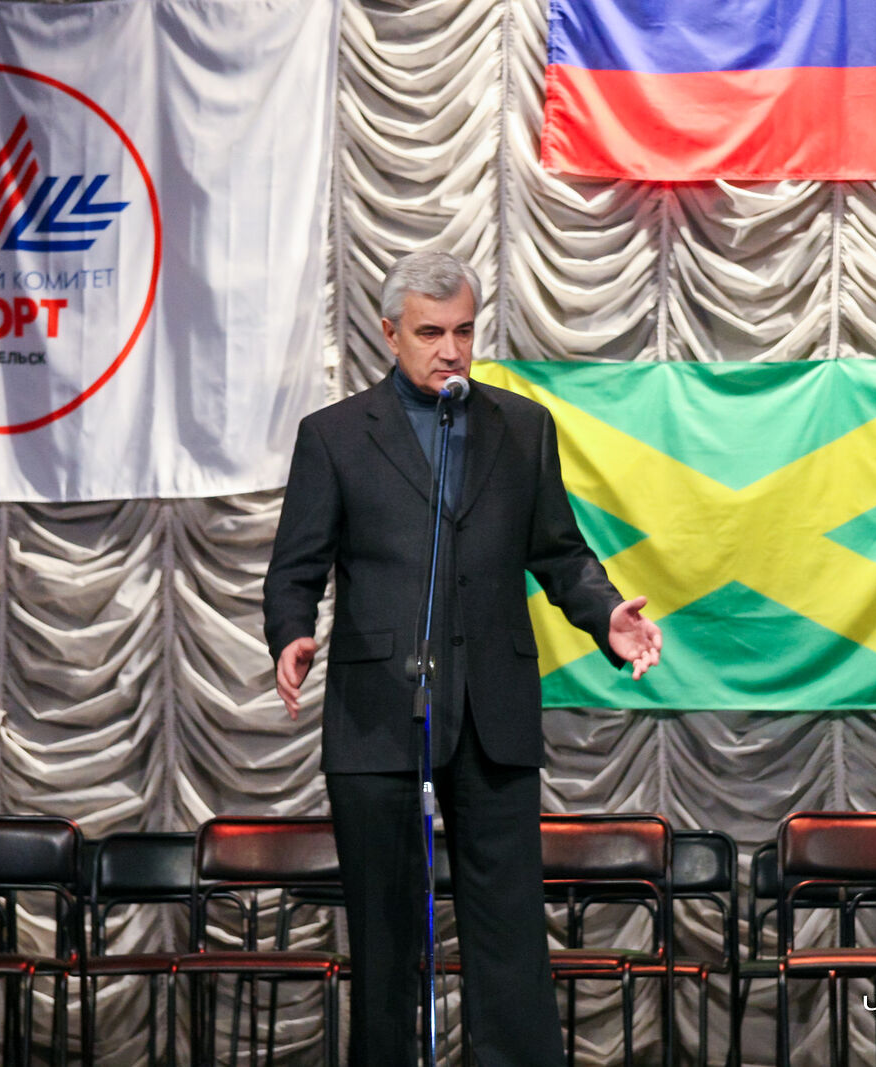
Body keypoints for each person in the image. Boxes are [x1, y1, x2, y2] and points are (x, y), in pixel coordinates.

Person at [262, 250, 662, 1066]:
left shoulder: (522, 427)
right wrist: (291, 631)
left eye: (465, 331)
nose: (451, 349)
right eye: (430, 333)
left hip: (492, 705)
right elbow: (295, 566)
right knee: (383, 931)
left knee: (508, 930)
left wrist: (605, 615)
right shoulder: (333, 436)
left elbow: (559, 553)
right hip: (379, 708)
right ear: (389, 333)